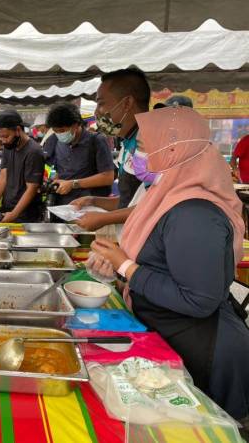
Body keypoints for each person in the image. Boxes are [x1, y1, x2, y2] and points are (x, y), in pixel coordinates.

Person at [89, 106, 249, 427]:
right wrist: (118, 265)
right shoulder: (165, 194)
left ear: (175, 151)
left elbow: (198, 300)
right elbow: (161, 262)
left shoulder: (195, 213)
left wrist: (128, 268)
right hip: (170, 336)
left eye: (144, 147)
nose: (135, 154)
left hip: (205, 352)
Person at [72, 68, 151, 231]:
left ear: (127, 103)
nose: (96, 112)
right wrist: (93, 200)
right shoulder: (129, 141)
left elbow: (157, 206)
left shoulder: (152, 143)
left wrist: (104, 218)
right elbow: (130, 201)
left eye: (101, 103)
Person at [43, 102, 114, 206]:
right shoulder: (54, 140)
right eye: (55, 131)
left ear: (75, 125)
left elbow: (108, 177)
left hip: (89, 206)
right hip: (63, 206)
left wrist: (73, 184)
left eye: (62, 130)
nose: (59, 134)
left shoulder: (96, 141)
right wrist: (54, 180)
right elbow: (56, 169)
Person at [0, 110, 45, 223]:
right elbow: (3, 175)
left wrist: (14, 214)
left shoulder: (34, 152)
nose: (3, 140)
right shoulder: (9, 146)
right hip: (8, 209)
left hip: (26, 214)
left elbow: (31, 188)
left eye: (6, 136)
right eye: (1, 137)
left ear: (18, 130)